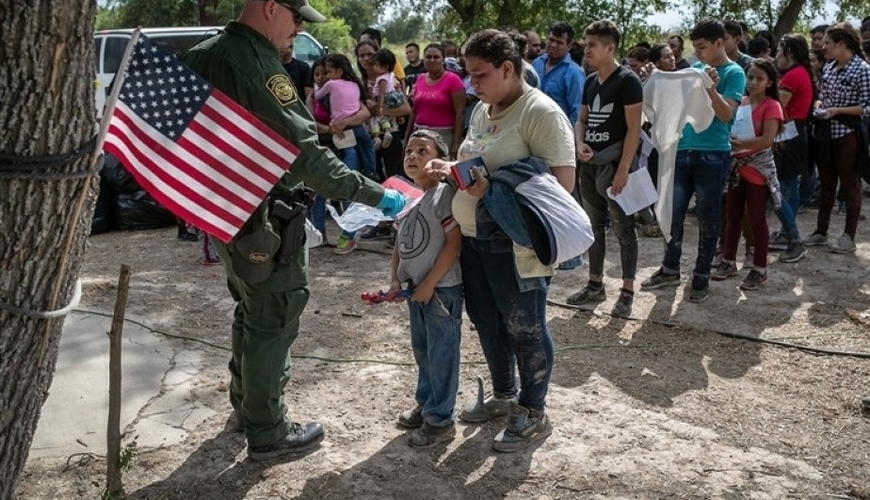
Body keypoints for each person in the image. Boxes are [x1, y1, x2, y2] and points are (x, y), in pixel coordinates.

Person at [182, 0, 405, 462]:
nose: (298, 30)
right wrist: (376, 195)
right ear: (269, 8)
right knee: (276, 311)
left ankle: (246, 407)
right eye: (296, 18)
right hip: (262, 217)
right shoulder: (258, 64)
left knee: (251, 307)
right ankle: (268, 430)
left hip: (225, 211)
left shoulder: (204, 53)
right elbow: (304, 157)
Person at [426, 29, 576, 452]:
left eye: (480, 75)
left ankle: (534, 411)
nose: (472, 84)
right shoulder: (481, 110)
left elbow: (562, 186)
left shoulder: (541, 113)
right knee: (488, 322)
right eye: (469, 74)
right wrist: (450, 166)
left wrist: (490, 189)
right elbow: (475, 160)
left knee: (525, 327)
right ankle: (505, 395)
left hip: (515, 245)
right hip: (474, 239)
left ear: (508, 69)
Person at [640, 18, 746, 303]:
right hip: (682, 150)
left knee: (708, 217)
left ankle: (701, 275)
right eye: (695, 48)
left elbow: (727, 115)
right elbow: (671, 93)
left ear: (719, 44)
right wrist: (655, 77)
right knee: (672, 213)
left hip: (713, 154)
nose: (697, 54)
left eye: (702, 47)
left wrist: (710, 88)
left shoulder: (734, 73)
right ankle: (670, 267)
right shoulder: (695, 69)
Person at [390, 129, 462, 449]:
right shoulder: (409, 197)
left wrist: (431, 283)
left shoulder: (444, 194)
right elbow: (399, 245)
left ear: (441, 160)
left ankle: (440, 419)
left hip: (442, 289)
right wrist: (395, 279)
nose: (413, 156)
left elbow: (454, 242)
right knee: (422, 350)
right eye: (409, 151)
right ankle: (426, 402)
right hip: (414, 289)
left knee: (442, 352)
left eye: (423, 151)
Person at [567, 20, 642, 318]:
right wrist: (579, 143)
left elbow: (634, 130)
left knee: (624, 228)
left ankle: (627, 291)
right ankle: (595, 284)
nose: (586, 50)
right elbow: (581, 119)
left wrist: (623, 169)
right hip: (589, 163)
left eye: (592, 46)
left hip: (614, 166)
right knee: (594, 226)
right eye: (586, 45)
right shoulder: (590, 81)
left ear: (610, 48)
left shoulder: (628, 80)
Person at [712, 60, 784, 290]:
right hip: (736, 166)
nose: (753, 83)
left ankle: (759, 268)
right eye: (750, 77)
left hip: (757, 167)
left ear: (769, 82)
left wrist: (739, 143)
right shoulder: (741, 103)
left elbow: (766, 140)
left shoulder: (772, 106)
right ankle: (729, 260)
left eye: (759, 79)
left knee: (756, 219)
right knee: (732, 216)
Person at [804, 23, 870, 254]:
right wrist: (820, 104)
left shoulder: (862, 69)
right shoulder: (830, 67)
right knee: (827, 182)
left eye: (828, 43)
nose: (823, 47)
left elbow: (866, 106)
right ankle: (821, 231)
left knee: (850, 184)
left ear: (842, 44)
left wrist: (838, 111)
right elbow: (823, 95)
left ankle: (849, 236)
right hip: (826, 132)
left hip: (847, 134)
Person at [770, 33, 814, 262]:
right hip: (794, 133)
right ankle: (788, 232)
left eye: (779, 51)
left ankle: (794, 238)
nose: (776, 56)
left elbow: (778, 105)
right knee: (789, 185)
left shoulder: (794, 75)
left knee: (779, 188)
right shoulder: (801, 72)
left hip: (788, 134)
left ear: (789, 52)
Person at [403, 43, 466, 159]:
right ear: (424, 59)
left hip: (443, 137)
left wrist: (456, 143)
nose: (432, 60)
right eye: (428, 57)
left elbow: (460, 113)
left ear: (443, 60)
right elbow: (414, 112)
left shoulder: (453, 80)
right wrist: (407, 138)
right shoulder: (420, 79)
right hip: (419, 135)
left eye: (436, 57)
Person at [532, 21, 585, 126]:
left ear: (568, 46)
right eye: (551, 40)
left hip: (557, 133)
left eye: (559, 42)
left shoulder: (575, 73)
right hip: (530, 128)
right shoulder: (536, 63)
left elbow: (577, 112)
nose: (553, 45)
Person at [369, 48, 404, 150]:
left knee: (375, 119)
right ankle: (387, 131)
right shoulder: (391, 75)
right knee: (385, 118)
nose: (374, 67)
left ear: (384, 66)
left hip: (384, 101)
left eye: (376, 65)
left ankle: (377, 137)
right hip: (393, 99)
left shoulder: (381, 79)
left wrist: (379, 106)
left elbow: (381, 93)